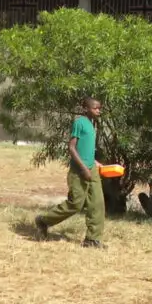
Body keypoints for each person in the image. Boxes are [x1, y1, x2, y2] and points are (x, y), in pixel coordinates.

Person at [35, 97, 106, 247]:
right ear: (86, 109)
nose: (98, 110)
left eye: (99, 108)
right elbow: (72, 147)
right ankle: (44, 221)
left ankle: (92, 239)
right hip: (79, 171)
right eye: (95, 108)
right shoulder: (79, 123)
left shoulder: (91, 125)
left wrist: (94, 163)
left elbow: (86, 149)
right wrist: (83, 168)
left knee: (97, 204)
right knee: (76, 204)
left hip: (91, 169)